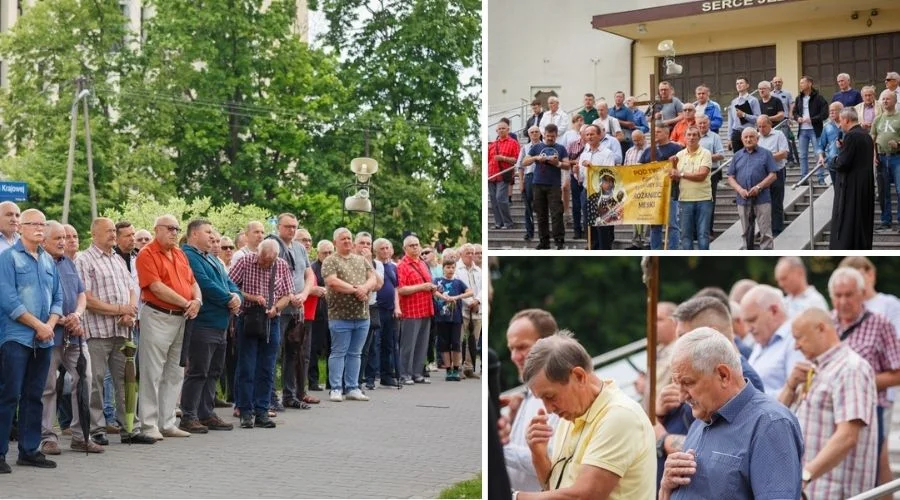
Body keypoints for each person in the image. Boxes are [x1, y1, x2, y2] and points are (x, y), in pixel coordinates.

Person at [659, 328, 803, 500]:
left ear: (723, 375)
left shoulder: (770, 424)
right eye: (677, 384)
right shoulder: (703, 417)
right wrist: (666, 490)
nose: (682, 396)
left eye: (688, 383)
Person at [519, 332, 655, 499]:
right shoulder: (572, 415)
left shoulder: (620, 416)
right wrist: (539, 455)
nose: (548, 409)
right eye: (542, 400)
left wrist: (513, 497)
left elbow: (586, 496)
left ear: (579, 376)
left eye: (550, 397)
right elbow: (555, 490)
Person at [778, 308, 877, 500]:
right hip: (812, 490)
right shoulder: (814, 368)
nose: (796, 347)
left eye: (799, 338)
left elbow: (848, 435)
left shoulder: (851, 368)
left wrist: (805, 475)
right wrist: (790, 387)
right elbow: (774, 418)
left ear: (821, 328)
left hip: (835, 492)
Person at [76, 218, 155, 446]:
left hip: (123, 330)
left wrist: (130, 311)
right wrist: (120, 309)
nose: (113, 234)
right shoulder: (85, 260)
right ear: (94, 235)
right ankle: (96, 429)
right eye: (108, 231)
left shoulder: (117, 259)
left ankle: (130, 428)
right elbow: (87, 299)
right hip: (98, 331)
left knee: (126, 381)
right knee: (96, 382)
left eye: (113, 231)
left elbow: (132, 288)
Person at [0, 209, 62, 472]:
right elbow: (7, 298)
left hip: (44, 340)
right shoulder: (8, 258)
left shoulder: (48, 261)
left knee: (34, 396)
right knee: (8, 396)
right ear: (21, 228)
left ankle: (29, 450)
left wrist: (49, 325)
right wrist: (38, 325)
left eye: (42, 224)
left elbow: (58, 298)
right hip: (16, 338)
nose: (39, 228)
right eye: (33, 224)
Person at [828, 267, 900, 490]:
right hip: (831, 407)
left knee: (875, 468)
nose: (843, 301)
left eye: (849, 295)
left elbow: (898, 371)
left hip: (871, 407)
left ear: (861, 293)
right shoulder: (828, 323)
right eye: (838, 296)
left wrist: (859, 383)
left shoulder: (880, 323)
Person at [134, 215, 202, 440]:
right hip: (158, 316)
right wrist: (186, 303)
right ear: (157, 230)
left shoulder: (180, 253)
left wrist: (197, 301)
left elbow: (192, 282)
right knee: (152, 372)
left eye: (177, 228)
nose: (174, 232)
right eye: (170, 228)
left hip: (181, 318)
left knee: (175, 372)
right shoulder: (147, 254)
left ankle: (167, 421)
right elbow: (156, 287)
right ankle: (149, 424)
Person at [38, 222, 101, 454]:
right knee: (48, 387)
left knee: (85, 379)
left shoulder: (69, 263)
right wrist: (56, 319)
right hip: (48, 335)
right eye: (57, 238)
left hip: (74, 334)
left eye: (64, 237)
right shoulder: (38, 262)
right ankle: (48, 437)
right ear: (43, 241)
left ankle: (80, 435)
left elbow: (81, 295)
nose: (63, 242)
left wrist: (76, 315)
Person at [179, 219, 240, 433]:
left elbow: (228, 281)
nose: (212, 237)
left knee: (213, 371)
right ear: (194, 234)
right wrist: (228, 299)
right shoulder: (189, 255)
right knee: (198, 371)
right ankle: (189, 415)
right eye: (208, 232)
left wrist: (236, 297)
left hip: (220, 323)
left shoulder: (211, 258)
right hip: (203, 323)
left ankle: (206, 413)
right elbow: (204, 284)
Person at [503, 309, 561, 492]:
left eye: (521, 347)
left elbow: (554, 459)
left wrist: (499, 449)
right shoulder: (527, 393)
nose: (514, 357)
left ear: (547, 344)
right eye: (511, 349)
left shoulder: (561, 397)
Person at [266, 214, 316, 409]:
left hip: (297, 307)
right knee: (274, 353)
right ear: (278, 227)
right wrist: (289, 295)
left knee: (293, 353)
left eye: (295, 227)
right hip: (278, 308)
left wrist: (304, 294)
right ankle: (270, 398)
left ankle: (290, 394)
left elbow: (309, 274)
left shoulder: (300, 248)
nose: (292, 230)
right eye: (287, 226)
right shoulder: (272, 245)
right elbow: (269, 275)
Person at [321, 228, 377, 401]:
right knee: (338, 352)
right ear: (335, 241)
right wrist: (356, 290)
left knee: (355, 353)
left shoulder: (361, 260)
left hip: (362, 315)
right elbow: (332, 282)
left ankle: (352, 387)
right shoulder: (331, 260)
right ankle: (336, 388)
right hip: (340, 315)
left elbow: (373, 278)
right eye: (342, 238)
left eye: (349, 238)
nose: (346, 241)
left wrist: (366, 288)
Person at [740, 284, 805, 394]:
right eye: (746, 322)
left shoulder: (795, 340)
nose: (748, 329)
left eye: (752, 320)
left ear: (774, 311)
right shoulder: (761, 342)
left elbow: (798, 393)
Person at [726, 128, 779, 250]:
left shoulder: (766, 154)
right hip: (743, 199)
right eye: (746, 137)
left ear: (757, 138)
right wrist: (739, 190)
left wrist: (759, 187)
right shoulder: (737, 155)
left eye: (751, 137)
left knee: (765, 233)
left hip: (762, 199)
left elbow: (773, 175)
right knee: (745, 232)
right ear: (742, 139)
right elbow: (730, 177)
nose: (748, 139)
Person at [396, 234, 438, 385]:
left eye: (417, 244)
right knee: (408, 344)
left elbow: (427, 282)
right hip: (411, 310)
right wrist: (422, 287)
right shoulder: (402, 266)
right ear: (405, 248)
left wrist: (433, 288)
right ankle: (404, 374)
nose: (415, 247)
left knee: (422, 343)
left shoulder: (422, 263)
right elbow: (400, 289)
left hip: (426, 308)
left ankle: (417, 373)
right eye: (412, 245)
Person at [831, 108, 875, 250]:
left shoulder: (850, 136)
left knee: (849, 220)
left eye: (841, 121)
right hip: (865, 185)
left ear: (846, 120)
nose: (840, 125)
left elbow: (842, 163)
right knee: (861, 220)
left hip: (851, 186)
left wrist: (833, 160)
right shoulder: (866, 135)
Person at [524, 123, 569, 250]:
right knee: (540, 214)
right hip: (537, 183)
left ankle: (559, 240)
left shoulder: (561, 148)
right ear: (544, 134)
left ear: (556, 135)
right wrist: (536, 158)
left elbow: (567, 165)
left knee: (556, 213)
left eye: (552, 136)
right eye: (548, 136)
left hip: (554, 185)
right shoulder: (536, 147)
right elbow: (524, 162)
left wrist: (557, 163)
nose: (550, 138)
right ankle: (544, 242)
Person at [640, 124, 683, 250]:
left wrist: (674, 164)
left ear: (666, 133)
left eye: (658, 131)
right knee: (655, 225)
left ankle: (673, 251)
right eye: (653, 132)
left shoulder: (676, 148)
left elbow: (682, 167)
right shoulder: (648, 150)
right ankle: (656, 251)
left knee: (672, 224)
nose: (655, 134)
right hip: (652, 193)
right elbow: (639, 167)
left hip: (670, 191)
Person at [669, 126, 712, 250]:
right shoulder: (679, 154)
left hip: (703, 199)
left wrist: (681, 174)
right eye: (689, 135)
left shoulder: (706, 153)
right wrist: (673, 166)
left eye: (694, 135)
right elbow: (675, 178)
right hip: (685, 199)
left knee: (703, 234)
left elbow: (702, 175)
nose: (691, 137)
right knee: (685, 235)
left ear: (699, 137)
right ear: (685, 137)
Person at [578, 124, 620, 250]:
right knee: (588, 224)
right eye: (587, 134)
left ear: (599, 135)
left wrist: (592, 167)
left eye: (592, 134)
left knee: (603, 225)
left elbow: (608, 175)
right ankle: (592, 248)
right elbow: (581, 176)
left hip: (602, 194)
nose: (589, 137)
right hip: (586, 191)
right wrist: (577, 172)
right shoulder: (584, 154)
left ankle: (604, 250)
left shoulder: (607, 153)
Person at [432, 259, 472, 381]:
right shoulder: (438, 281)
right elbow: (433, 292)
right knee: (444, 344)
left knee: (455, 343)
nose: (450, 269)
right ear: (443, 268)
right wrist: (444, 297)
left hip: (455, 317)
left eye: (452, 267)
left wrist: (458, 297)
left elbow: (470, 292)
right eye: (448, 267)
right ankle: (448, 370)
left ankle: (456, 368)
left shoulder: (458, 282)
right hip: (442, 317)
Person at [354, 232, 384, 389]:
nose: (365, 246)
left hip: (369, 308)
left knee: (364, 348)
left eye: (368, 244)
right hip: (350, 306)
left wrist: (368, 262)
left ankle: (357, 381)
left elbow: (379, 285)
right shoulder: (350, 260)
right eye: (362, 243)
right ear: (355, 245)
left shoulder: (376, 264)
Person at [756, 115, 790, 235]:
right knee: (763, 203)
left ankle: (777, 229)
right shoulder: (757, 137)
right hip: (761, 174)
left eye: (764, 126)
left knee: (776, 201)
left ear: (770, 125)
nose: (761, 129)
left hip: (777, 171)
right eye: (759, 126)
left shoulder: (778, 135)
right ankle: (764, 228)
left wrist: (767, 158)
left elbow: (784, 153)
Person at [373, 238, 401, 387]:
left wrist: (397, 306)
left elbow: (396, 288)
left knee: (388, 343)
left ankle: (387, 374)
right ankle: (373, 374)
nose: (385, 251)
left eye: (387, 248)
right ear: (376, 250)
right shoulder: (374, 265)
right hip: (377, 307)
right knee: (375, 342)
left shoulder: (393, 267)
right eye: (382, 248)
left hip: (390, 309)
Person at [793, 75, 830, 185]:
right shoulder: (798, 98)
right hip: (802, 131)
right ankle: (804, 178)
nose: (801, 85)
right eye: (800, 83)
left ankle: (820, 178)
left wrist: (812, 119)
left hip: (815, 130)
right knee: (803, 155)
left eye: (803, 83)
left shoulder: (819, 98)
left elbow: (825, 114)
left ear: (810, 84)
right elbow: (794, 112)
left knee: (818, 154)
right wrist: (797, 118)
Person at [873, 90, 900, 232]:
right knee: (884, 192)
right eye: (883, 99)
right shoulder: (878, 119)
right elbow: (873, 138)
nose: (884, 101)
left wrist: (898, 144)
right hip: (881, 158)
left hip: (897, 158)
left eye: (888, 99)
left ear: (895, 101)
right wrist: (874, 156)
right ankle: (885, 221)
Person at [307, 240, 332, 391]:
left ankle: (331, 381)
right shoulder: (312, 268)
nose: (328, 255)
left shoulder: (335, 266)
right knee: (313, 349)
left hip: (333, 313)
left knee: (332, 349)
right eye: (325, 253)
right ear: (318, 253)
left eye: (330, 252)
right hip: (316, 314)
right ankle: (313, 381)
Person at [696, 115, 726, 239]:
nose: (702, 126)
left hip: (710, 172)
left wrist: (704, 156)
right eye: (700, 124)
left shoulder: (715, 137)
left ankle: (708, 231)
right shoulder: (692, 136)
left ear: (708, 124)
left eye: (704, 123)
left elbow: (721, 155)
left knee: (708, 203)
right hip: (694, 172)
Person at [455, 244, 482, 379]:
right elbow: (458, 288)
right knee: (460, 339)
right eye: (468, 253)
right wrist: (470, 302)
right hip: (463, 308)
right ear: (461, 254)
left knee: (474, 339)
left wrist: (477, 301)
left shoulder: (478, 269)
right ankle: (458, 366)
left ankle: (469, 367)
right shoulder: (457, 270)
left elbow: (483, 288)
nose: (471, 255)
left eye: (473, 253)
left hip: (477, 309)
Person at [489, 118, 519, 230]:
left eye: (503, 128)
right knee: (494, 200)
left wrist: (503, 158)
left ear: (508, 130)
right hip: (491, 175)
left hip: (503, 174)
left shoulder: (513, 143)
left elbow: (517, 160)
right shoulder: (493, 144)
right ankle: (498, 223)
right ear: (496, 131)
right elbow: (488, 160)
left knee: (500, 198)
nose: (501, 130)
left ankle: (508, 222)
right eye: (499, 129)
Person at [517, 126, 542, 241]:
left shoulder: (545, 146)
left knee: (542, 206)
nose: (534, 134)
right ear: (529, 134)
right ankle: (529, 232)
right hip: (529, 177)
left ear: (540, 133)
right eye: (532, 132)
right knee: (528, 207)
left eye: (536, 132)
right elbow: (520, 166)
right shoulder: (525, 148)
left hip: (542, 178)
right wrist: (521, 182)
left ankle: (543, 231)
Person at [727, 76, 761, 154]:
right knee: (738, 158)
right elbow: (730, 121)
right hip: (736, 133)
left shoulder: (753, 100)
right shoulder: (733, 102)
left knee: (751, 155)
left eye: (741, 83)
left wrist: (744, 115)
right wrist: (729, 138)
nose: (739, 85)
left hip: (749, 132)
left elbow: (757, 118)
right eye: (737, 84)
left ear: (747, 85)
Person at [816, 102, 844, 185]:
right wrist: (821, 157)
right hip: (833, 162)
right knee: (836, 189)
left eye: (834, 110)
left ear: (841, 111)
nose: (831, 113)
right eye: (830, 111)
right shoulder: (827, 126)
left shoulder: (847, 124)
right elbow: (821, 146)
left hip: (847, 161)